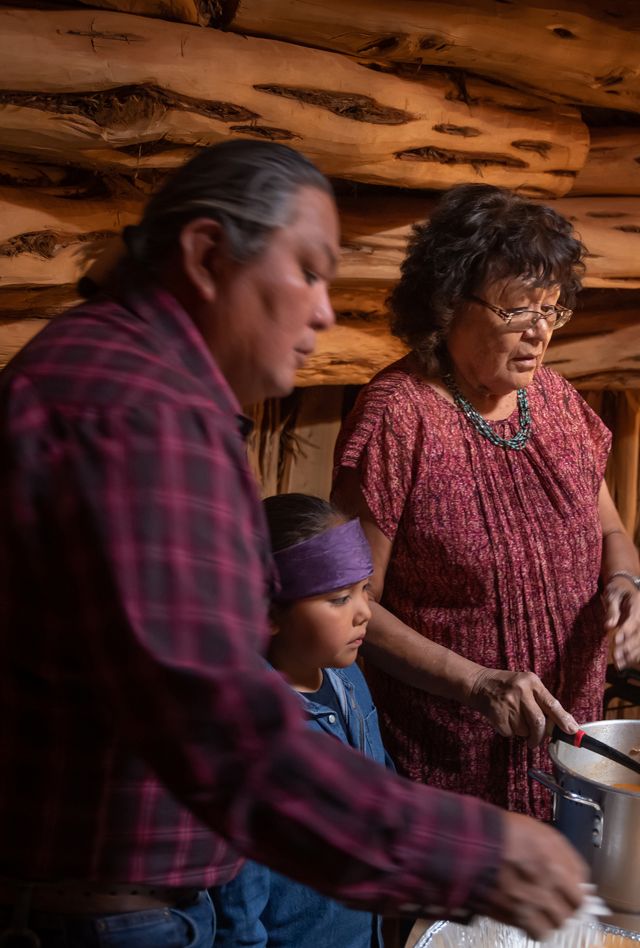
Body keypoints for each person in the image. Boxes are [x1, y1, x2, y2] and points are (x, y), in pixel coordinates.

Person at [0, 142, 586, 948]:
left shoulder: (132, 385)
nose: (323, 311)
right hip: (104, 912)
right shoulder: (138, 415)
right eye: (308, 271)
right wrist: (471, 852)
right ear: (208, 255)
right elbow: (220, 726)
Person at [333, 182, 640, 822]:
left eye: (551, 311)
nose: (539, 335)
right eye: (515, 313)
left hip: (568, 747)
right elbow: (352, 602)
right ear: (448, 305)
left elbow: (610, 528)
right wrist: (476, 683)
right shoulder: (398, 417)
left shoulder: (555, 401)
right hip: (448, 763)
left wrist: (625, 580)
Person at [213, 492, 391, 948]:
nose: (364, 611)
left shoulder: (349, 679)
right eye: (339, 598)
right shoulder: (254, 734)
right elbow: (238, 901)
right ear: (270, 613)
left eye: (364, 590)